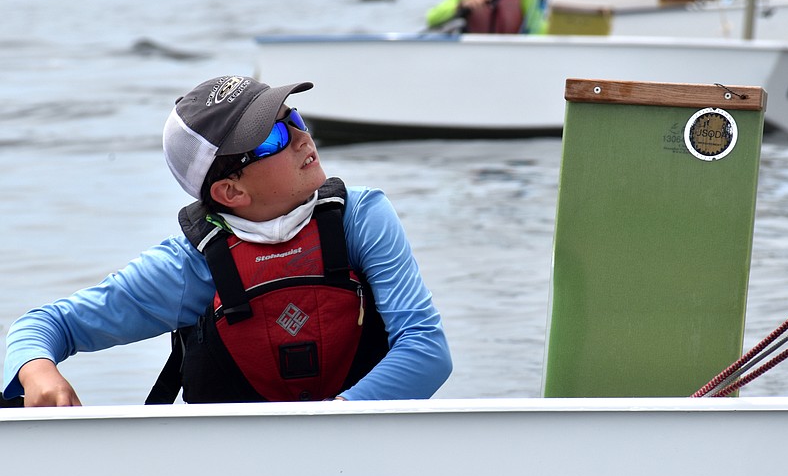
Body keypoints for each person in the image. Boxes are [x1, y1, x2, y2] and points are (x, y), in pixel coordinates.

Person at [3, 75, 453, 406]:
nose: (301, 137)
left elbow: (427, 351)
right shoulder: (188, 267)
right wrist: (38, 370)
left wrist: (330, 426)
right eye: (274, 135)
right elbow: (44, 325)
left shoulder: (362, 218)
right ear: (230, 191)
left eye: (292, 116)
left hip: (363, 454)